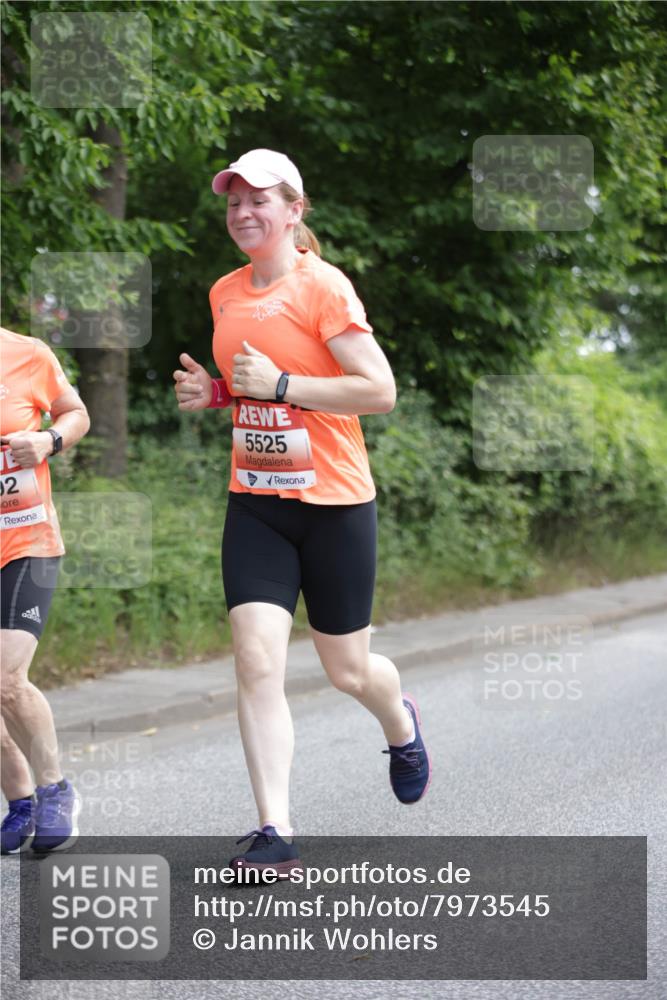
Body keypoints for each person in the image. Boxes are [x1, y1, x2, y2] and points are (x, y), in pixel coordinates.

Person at [173, 149, 431, 875]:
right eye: (233, 203)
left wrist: (283, 384)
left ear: (294, 210)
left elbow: (377, 391)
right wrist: (219, 396)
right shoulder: (224, 292)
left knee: (348, 671)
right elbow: (250, 382)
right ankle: (273, 831)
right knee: (256, 660)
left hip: (334, 503)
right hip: (257, 499)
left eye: (259, 201)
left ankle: (399, 722)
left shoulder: (324, 287)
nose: (243, 214)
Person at [0, 326, 90, 853]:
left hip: (25, 539)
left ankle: (55, 789)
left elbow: (75, 412)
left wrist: (48, 440)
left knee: (7, 676)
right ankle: (20, 802)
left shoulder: (26, 353)